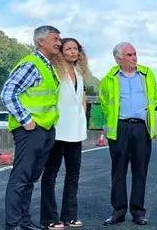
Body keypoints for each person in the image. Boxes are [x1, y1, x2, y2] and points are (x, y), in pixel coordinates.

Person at [1, 25, 62, 230]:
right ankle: (14, 224)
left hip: (44, 129)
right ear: (40, 41)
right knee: (22, 177)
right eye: (55, 39)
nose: (59, 43)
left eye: (59, 39)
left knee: (30, 179)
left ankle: (24, 221)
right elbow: (8, 93)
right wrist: (26, 120)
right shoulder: (32, 64)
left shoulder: (48, 66)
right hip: (30, 130)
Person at [99, 42, 157, 226]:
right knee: (118, 171)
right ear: (119, 59)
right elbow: (104, 102)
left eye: (135, 54)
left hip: (141, 127)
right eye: (129, 55)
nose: (134, 58)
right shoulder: (109, 78)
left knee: (140, 171)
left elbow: (155, 97)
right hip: (120, 127)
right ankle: (118, 212)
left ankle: (138, 212)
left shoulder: (147, 74)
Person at [40, 37, 94, 229]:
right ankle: (49, 218)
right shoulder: (54, 71)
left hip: (76, 130)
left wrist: (83, 110)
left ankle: (70, 215)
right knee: (50, 174)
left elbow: (81, 96)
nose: (73, 52)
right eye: (68, 48)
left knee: (73, 173)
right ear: (61, 52)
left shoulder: (79, 72)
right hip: (57, 129)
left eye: (76, 49)